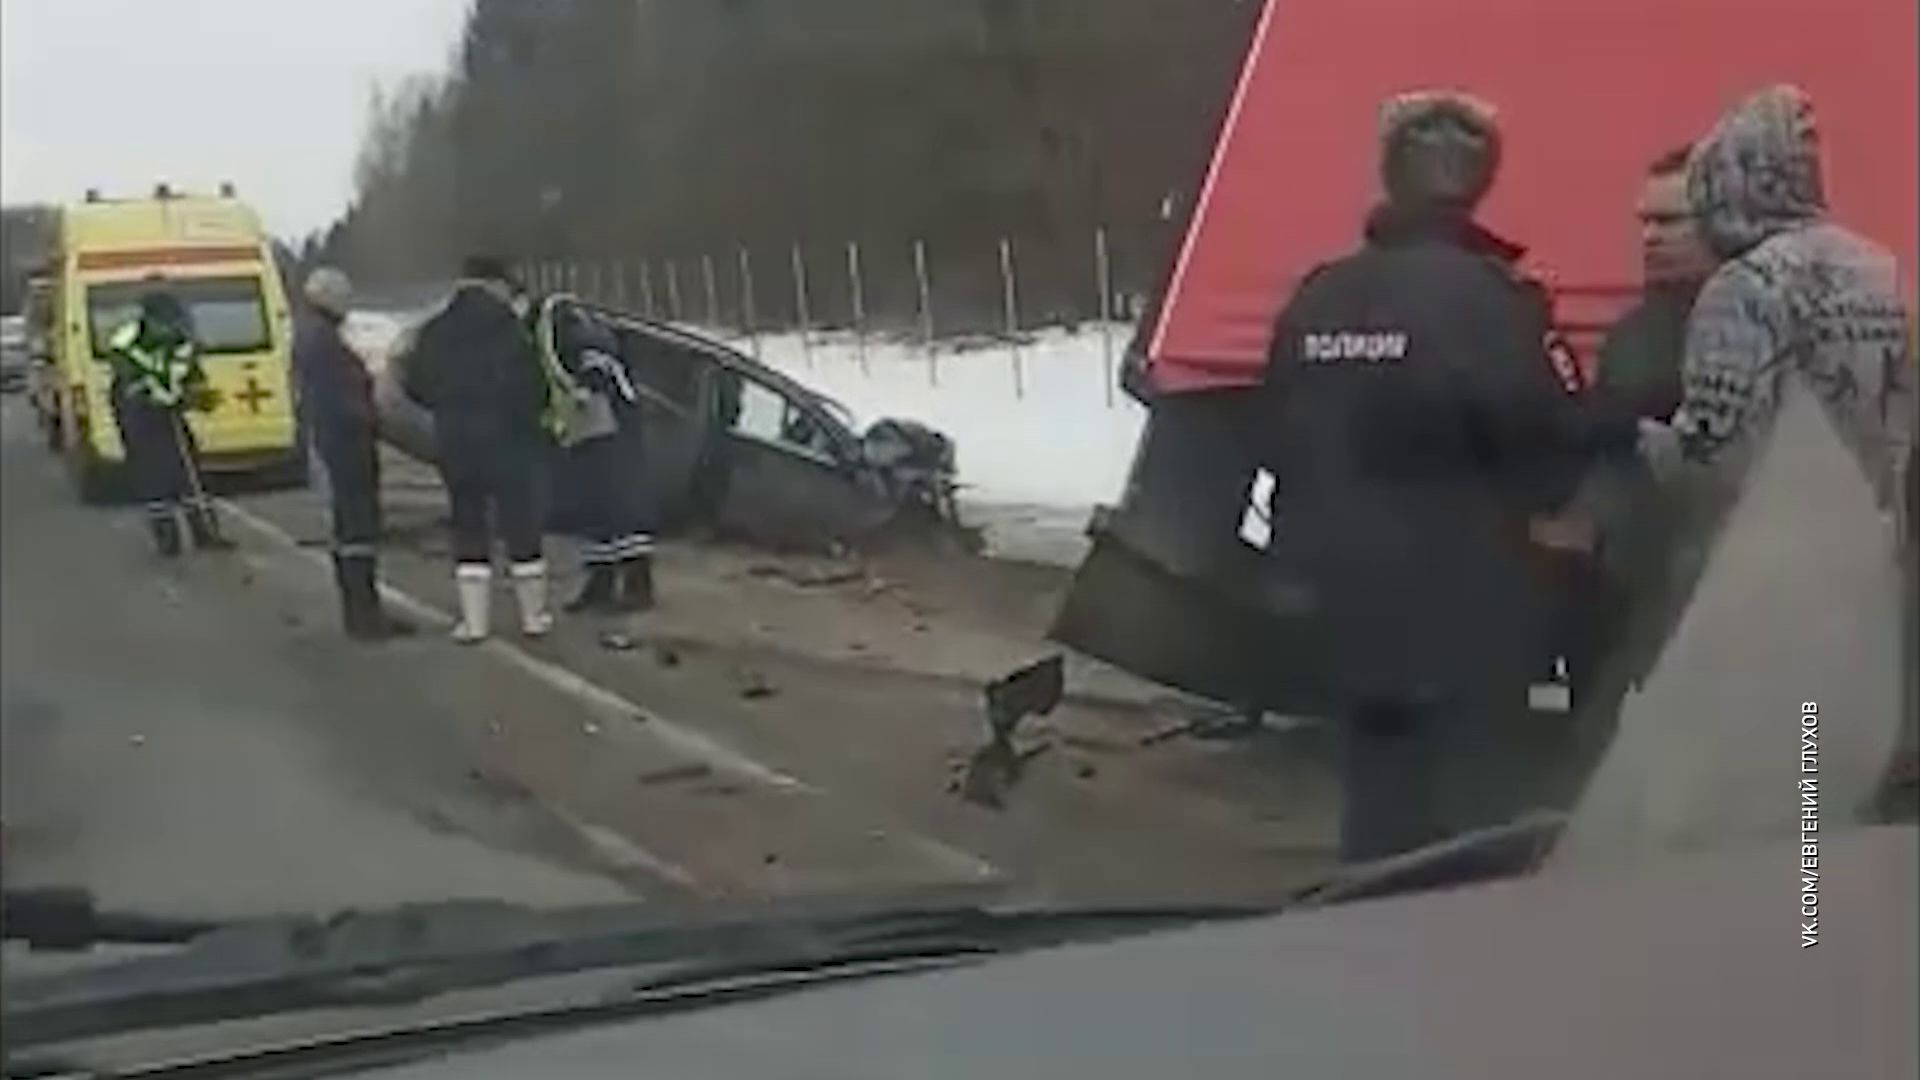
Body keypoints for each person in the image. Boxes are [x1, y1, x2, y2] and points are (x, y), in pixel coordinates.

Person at [1553, 85, 1914, 867]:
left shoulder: (1740, 289)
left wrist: (1627, 434)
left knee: (1749, 787)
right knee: (1832, 764)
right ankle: (1822, 912)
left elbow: (1712, 455)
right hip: (1866, 554)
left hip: (1763, 563)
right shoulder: (1874, 267)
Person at [1261, 90, 1623, 863]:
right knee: (1473, 820)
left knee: (1374, 799)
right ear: (1480, 183)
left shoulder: (1316, 297)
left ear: (1389, 177)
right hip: (1469, 610)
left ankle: (1368, 931)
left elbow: (1277, 437)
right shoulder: (1494, 301)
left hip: (1346, 603)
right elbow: (1545, 441)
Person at [1530, 144, 1722, 809]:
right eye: (1644, 221)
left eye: (1671, 222)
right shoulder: (1636, 330)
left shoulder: (1757, 319)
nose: (1651, 237)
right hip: (1625, 587)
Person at [398, 257, 553, 643]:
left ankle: (474, 623)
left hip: (456, 441)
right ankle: (533, 617)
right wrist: (531, 422)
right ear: (493, 284)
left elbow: (414, 384)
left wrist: (447, 408)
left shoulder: (434, 330)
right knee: (520, 522)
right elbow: (535, 386)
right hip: (507, 439)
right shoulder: (510, 329)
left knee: (468, 524)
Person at [292, 267, 413, 641]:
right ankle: (364, 617)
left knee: (351, 530)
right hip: (345, 445)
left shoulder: (312, 336)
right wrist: (372, 418)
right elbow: (340, 398)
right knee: (357, 528)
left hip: (335, 441)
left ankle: (363, 612)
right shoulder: (323, 342)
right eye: (344, 296)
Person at [530, 296, 658, 613]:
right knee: (593, 504)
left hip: (608, 423)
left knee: (619, 501)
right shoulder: (565, 329)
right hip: (586, 425)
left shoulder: (572, 331)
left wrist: (588, 388)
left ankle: (637, 582)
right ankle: (602, 578)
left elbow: (597, 364)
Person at [105, 285, 231, 556]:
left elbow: (189, 373)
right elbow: (140, 387)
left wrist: (200, 395)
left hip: (169, 415)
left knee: (189, 470)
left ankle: (204, 531)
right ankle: (166, 538)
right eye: (168, 321)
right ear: (151, 320)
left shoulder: (177, 338)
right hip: (139, 419)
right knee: (155, 478)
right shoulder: (127, 347)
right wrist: (176, 398)